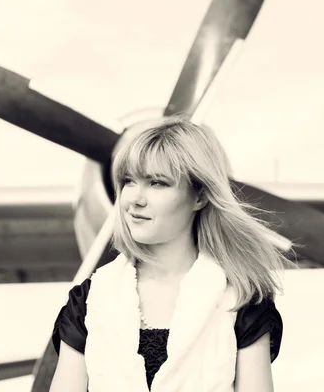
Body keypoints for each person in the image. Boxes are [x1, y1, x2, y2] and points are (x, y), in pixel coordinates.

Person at [49, 115, 294, 392]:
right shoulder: (89, 301)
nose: (134, 199)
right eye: (129, 181)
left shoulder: (242, 301)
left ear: (200, 196)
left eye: (157, 183)